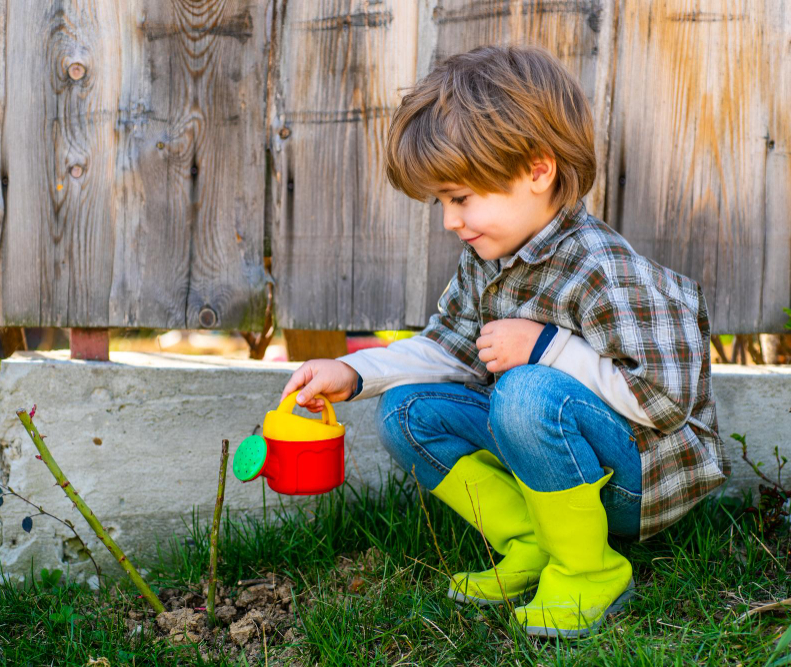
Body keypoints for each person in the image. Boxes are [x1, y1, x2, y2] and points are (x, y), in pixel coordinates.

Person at [279, 44, 730, 639]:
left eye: (461, 198)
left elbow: (664, 402)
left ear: (538, 171)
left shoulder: (603, 268)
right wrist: (352, 372)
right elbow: (447, 350)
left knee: (523, 392)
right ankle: (531, 542)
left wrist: (547, 349)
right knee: (407, 410)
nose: (449, 221)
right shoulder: (487, 258)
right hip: (565, 454)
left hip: (638, 480)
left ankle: (590, 567)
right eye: (442, 202)